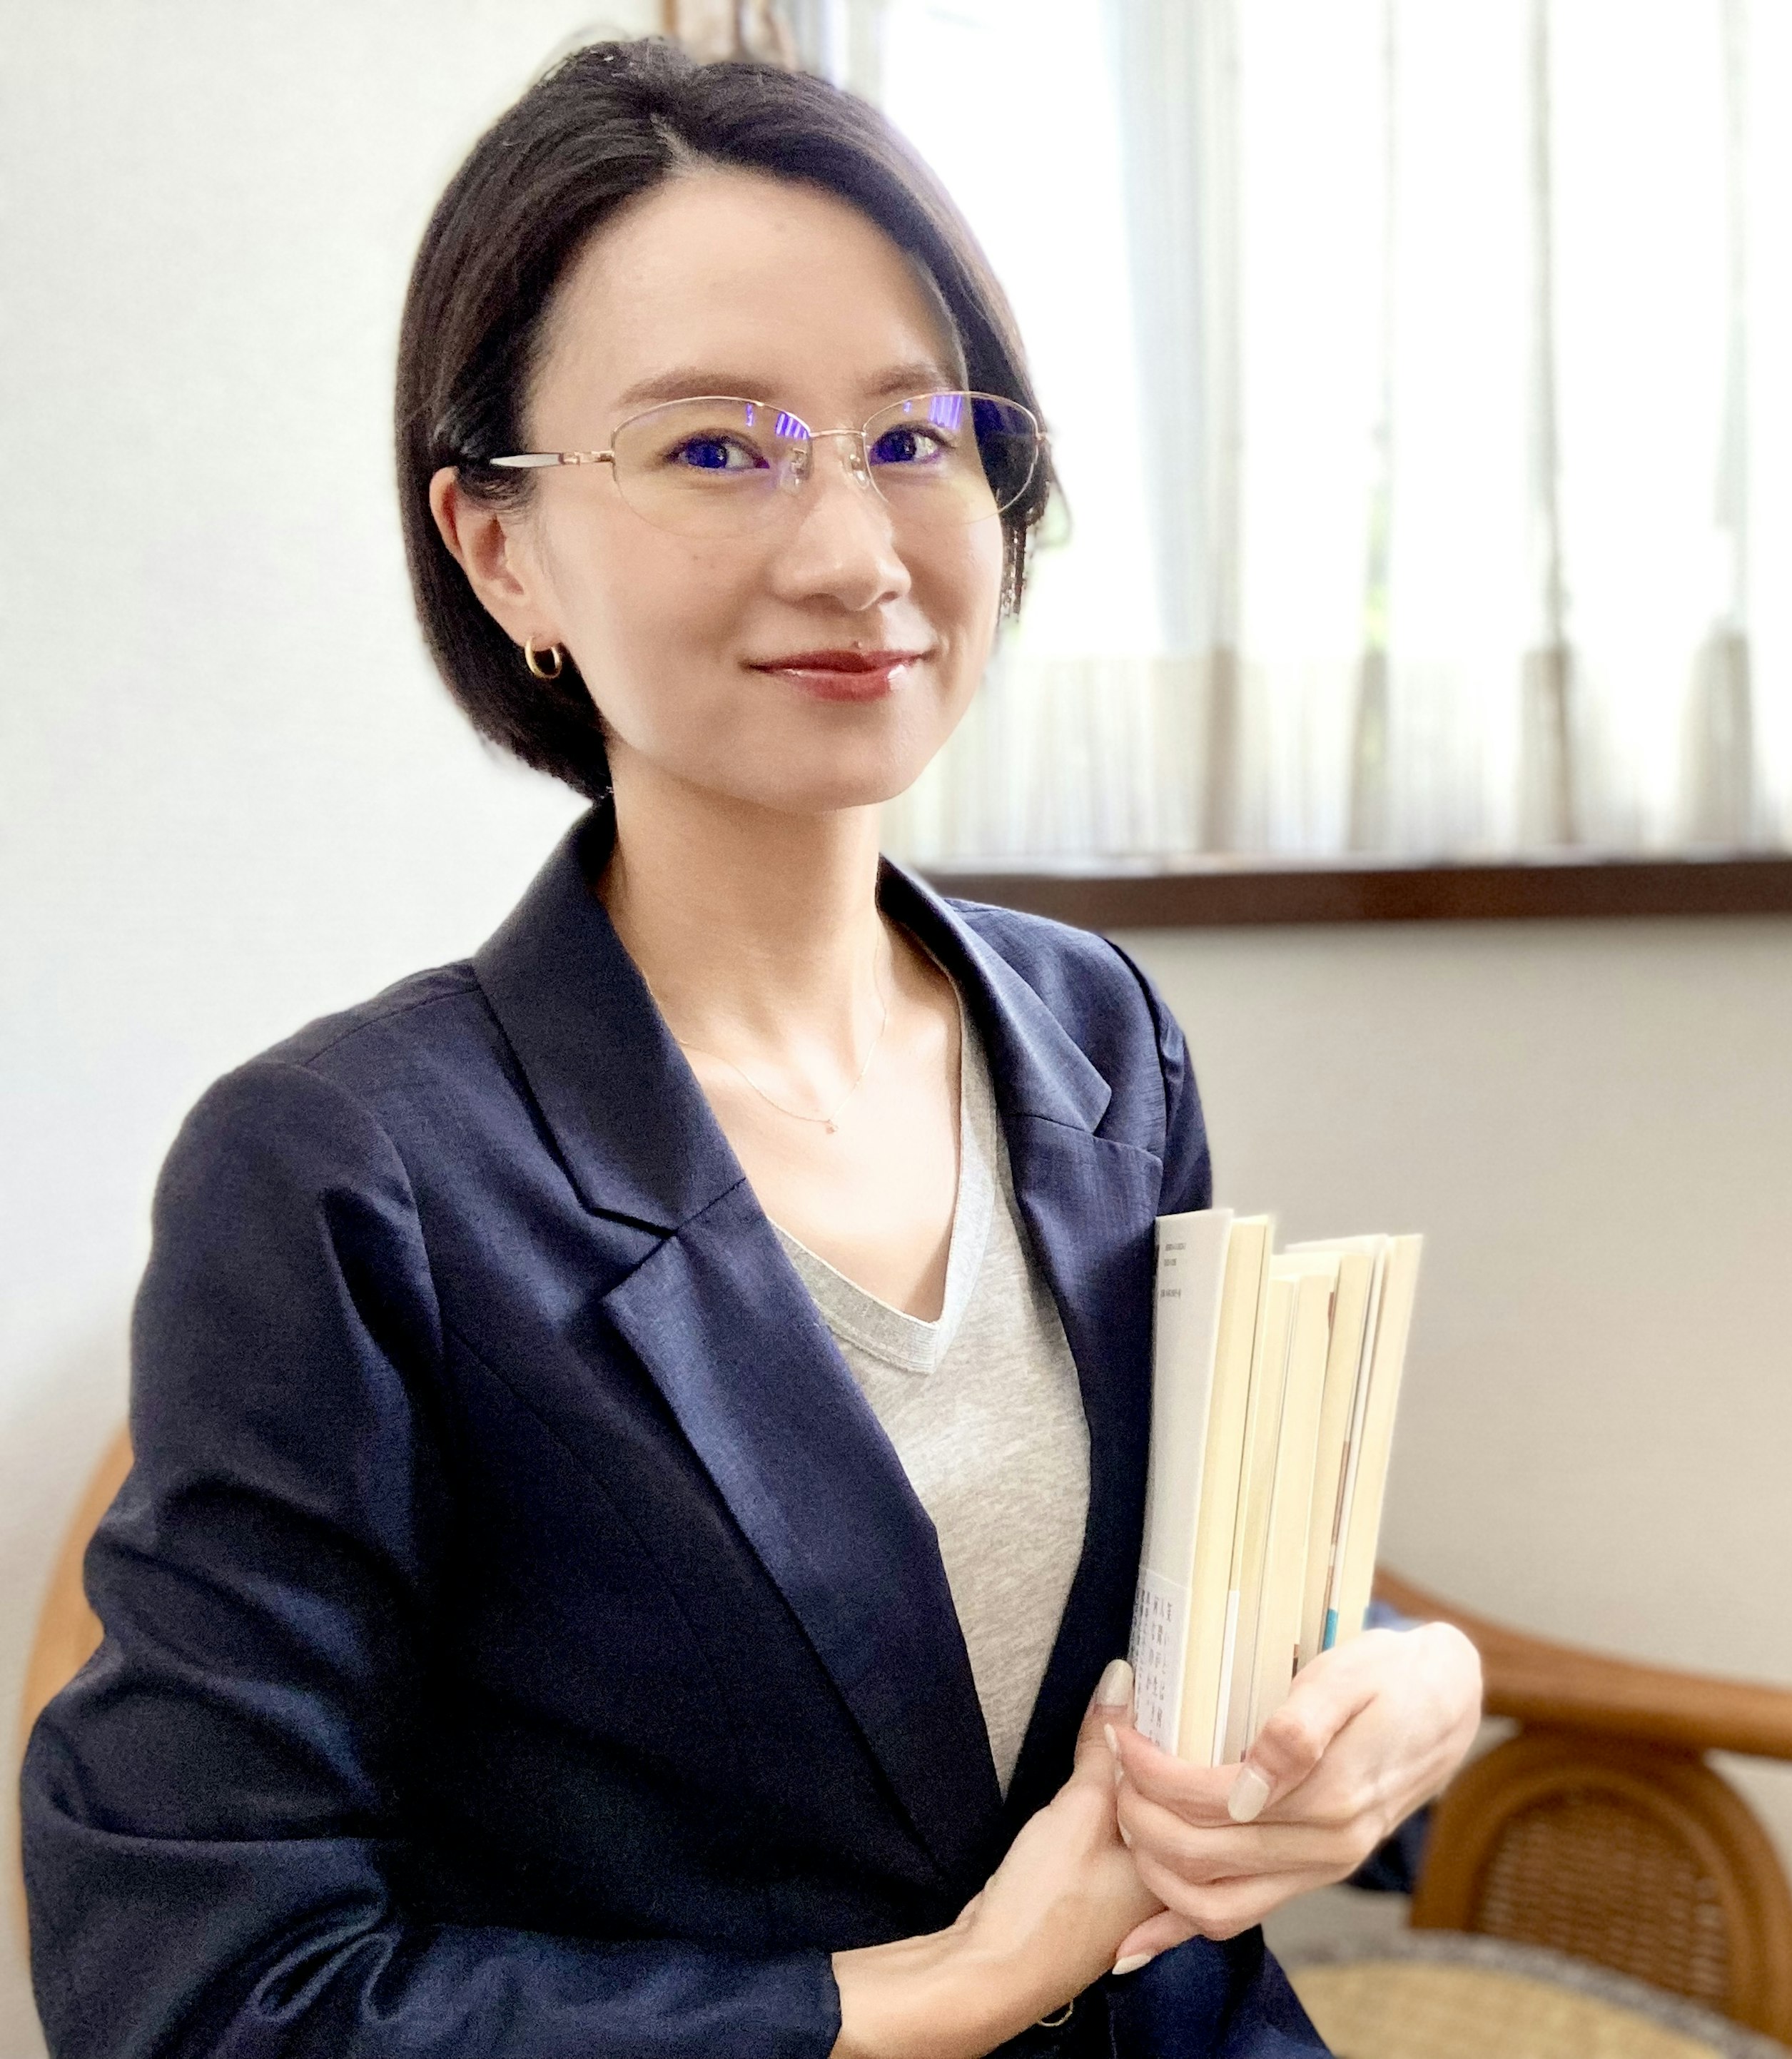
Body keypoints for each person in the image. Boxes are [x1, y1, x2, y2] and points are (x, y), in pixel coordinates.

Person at [19, 39, 1482, 2059]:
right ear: (500, 544)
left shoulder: (1097, 1040)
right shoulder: (345, 1176)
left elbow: (1176, 1614)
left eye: (914, 437)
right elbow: (206, 1998)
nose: (854, 553)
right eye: (717, 450)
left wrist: (1414, 1684)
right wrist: (939, 1994)